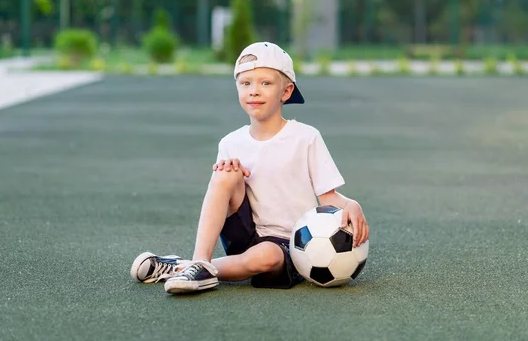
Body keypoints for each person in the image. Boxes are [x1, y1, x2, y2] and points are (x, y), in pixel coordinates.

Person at [130, 42, 369, 294]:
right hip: (246, 236)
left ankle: (181, 268)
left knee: (265, 256)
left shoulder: (306, 137)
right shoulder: (230, 143)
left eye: (265, 83)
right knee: (225, 173)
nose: (254, 91)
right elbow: (224, 198)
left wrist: (351, 204)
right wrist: (227, 174)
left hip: (295, 245)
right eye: (246, 83)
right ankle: (200, 262)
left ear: (286, 92)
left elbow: (327, 196)